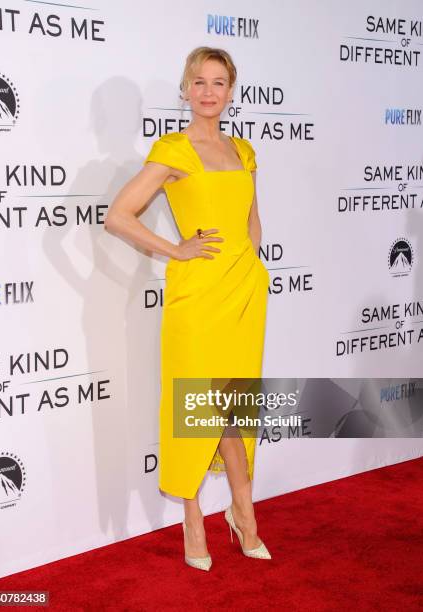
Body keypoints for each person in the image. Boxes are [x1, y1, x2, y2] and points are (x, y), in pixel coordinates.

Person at [104, 46, 271, 571]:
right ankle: (193, 518)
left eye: (218, 82)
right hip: (197, 297)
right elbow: (118, 215)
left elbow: (251, 217)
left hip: (244, 292)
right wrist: (177, 250)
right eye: (198, 82)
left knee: (234, 404)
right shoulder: (174, 149)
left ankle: (244, 513)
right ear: (185, 89)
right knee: (196, 408)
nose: (207, 92)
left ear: (230, 90)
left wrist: (256, 268)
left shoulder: (243, 151)